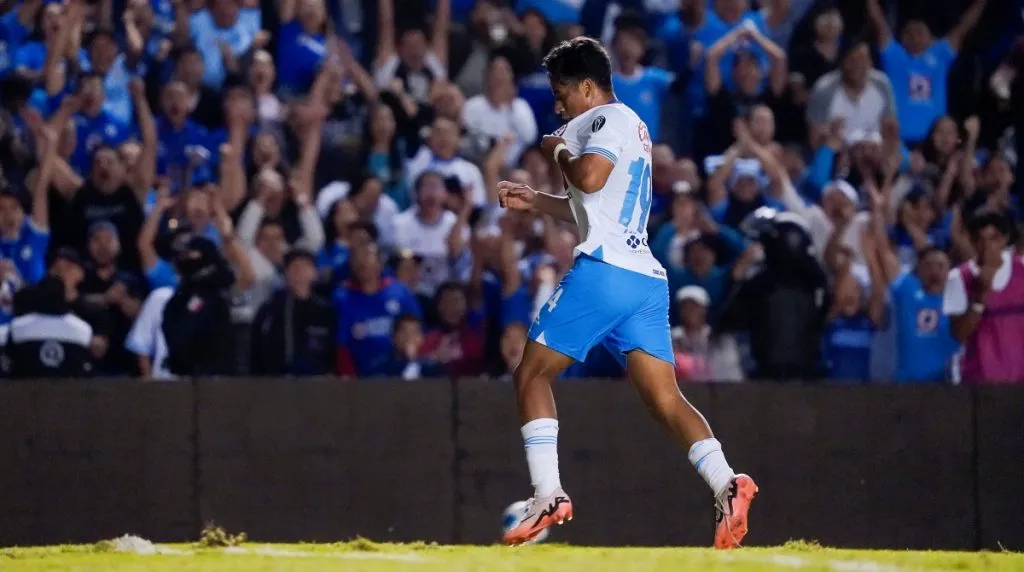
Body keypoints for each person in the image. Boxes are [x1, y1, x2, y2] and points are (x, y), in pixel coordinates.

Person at [495, 37, 756, 548]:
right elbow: (596, 207)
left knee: (531, 374)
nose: (558, 107)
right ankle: (726, 484)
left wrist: (556, 148)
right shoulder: (626, 124)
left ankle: (547, 494)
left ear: (586, 87)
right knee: (665, 399)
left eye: (561, 94)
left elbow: (589, 179)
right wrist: (539, 201)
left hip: (606, 273)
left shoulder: (605, 121)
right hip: (643, 280)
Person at [943, 209, 1024, 383]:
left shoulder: (1022, 269)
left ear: (1004, 239)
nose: (987, 246)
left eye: (994, 238)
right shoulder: (958, 278)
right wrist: (980, 296)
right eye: (980, 240)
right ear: (972, 242)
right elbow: (959, 334)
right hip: (979, 381)